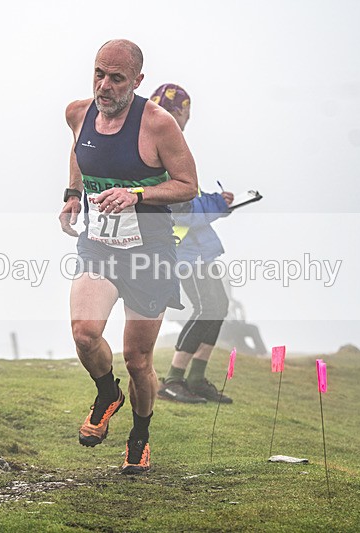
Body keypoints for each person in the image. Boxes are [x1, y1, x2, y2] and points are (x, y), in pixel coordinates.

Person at [59, 40, 198, 474]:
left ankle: (139, 437)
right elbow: (79, 152)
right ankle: (107, 393)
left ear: (137, 81)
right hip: (99, 245)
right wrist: (72, 195)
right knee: (85, 334)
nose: (104, 85)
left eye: (116, 78)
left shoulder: (158, 124)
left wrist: (136, 194)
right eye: (99, 74)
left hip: (150, 254)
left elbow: (188, 185)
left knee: (138, 361)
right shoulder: (77, 113)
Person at [150, 84, 235, 404]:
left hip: (197, 249)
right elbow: (182, 210)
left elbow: (188, 198)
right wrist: (216, 205)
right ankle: (173, 379)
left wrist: (215, 200)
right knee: (207, 308)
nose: (186, 120)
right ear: (179, 111)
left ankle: (196, 379)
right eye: (186, 113)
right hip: (183, 251)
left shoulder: (169, 146)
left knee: (218, 307)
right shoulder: (163, 148)